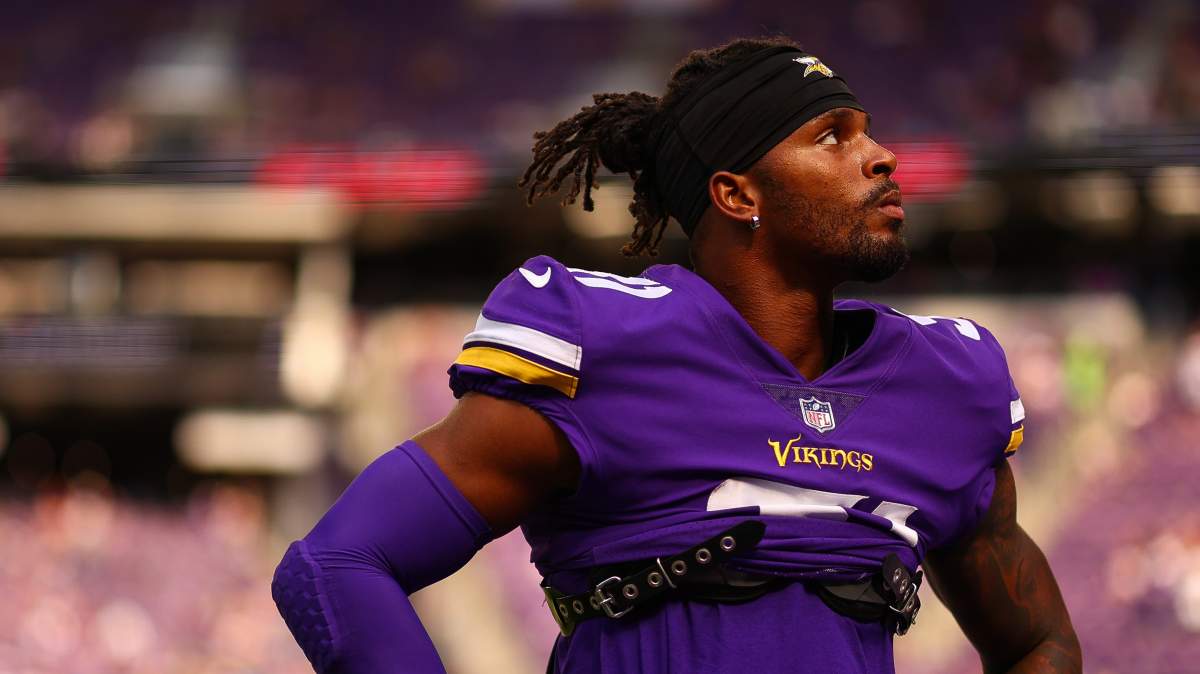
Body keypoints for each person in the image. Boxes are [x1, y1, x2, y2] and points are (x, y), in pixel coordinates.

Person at [271, 36, 1082, 673]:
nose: (881, 155)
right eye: (831, 136)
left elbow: (1037, 642)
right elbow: (337, 563)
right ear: (738, 194)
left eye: (867, 132)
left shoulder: (946, 386)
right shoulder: (609, 346)